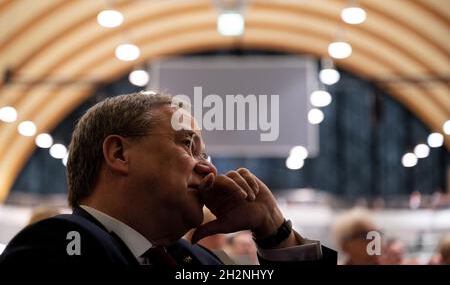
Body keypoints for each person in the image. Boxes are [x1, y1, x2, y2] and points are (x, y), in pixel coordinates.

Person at [0, 92, 336, 265]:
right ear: (119, 154)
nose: (209, 170)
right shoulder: (59, 245)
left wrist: (274, 231)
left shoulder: (197, 260)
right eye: (188, 145)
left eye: (205, 155)